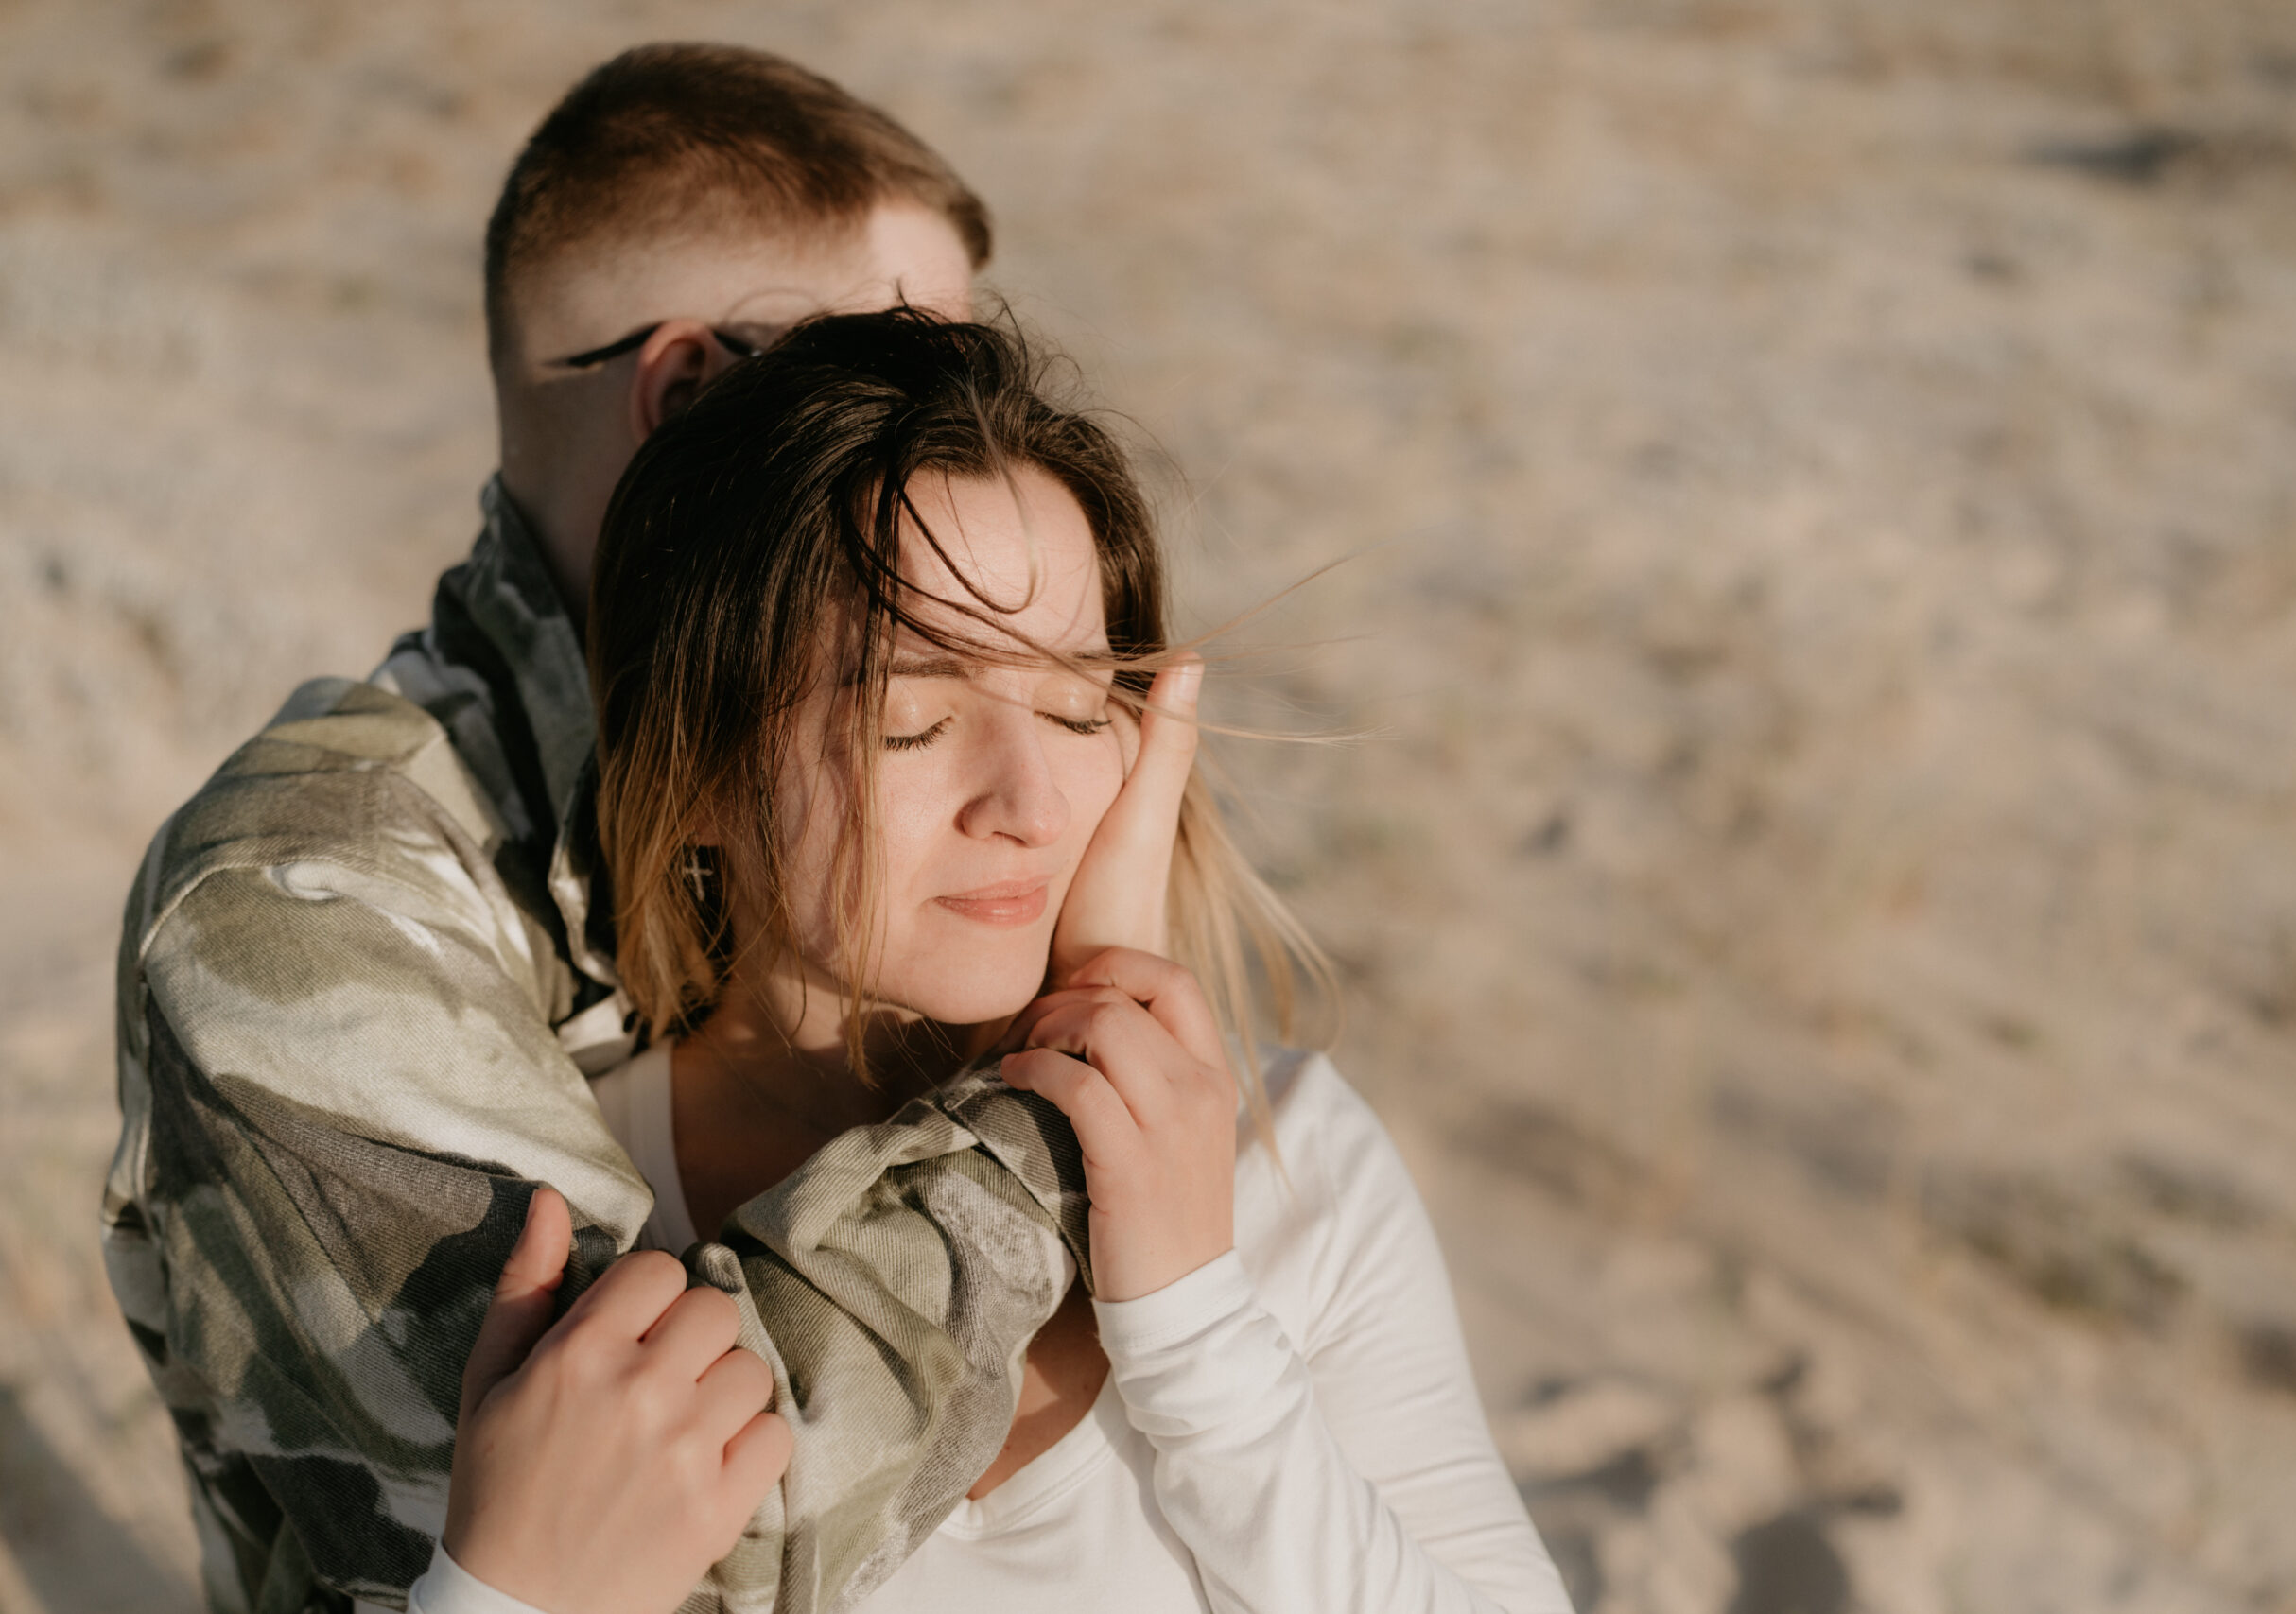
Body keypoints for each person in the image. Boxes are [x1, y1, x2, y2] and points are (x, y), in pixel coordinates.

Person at [103, 43, 1135, 1614]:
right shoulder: (294, 904)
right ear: (689, 396)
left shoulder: (895, 774)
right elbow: (684, 1548)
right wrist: (1082, 1096)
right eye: (897, 373)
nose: (968, 430)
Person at [418, 309, 1574, 1614]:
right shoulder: (571, 1235)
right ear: (695, 771)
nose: (1027, 798)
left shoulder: (1275, 1149)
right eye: (911, 721)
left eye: (1078, 705)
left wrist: (1197, 1327)